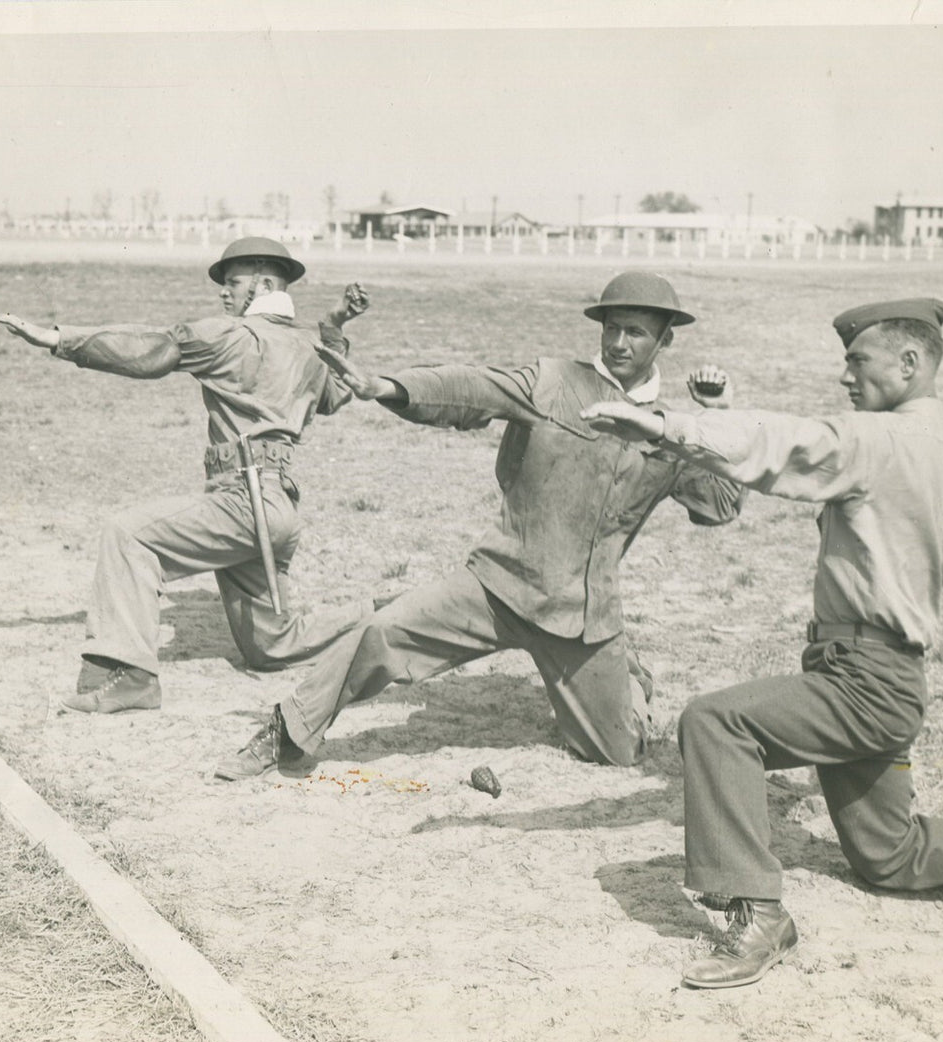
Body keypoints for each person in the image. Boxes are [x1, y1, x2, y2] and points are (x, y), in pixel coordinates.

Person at [579, 297, 943, 990]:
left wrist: (664, 422)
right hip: (891, 686)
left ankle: (757, 914)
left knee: (714, 722)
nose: (844, 378)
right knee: (886, 856)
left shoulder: (873, 439)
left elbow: (778, 443)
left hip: (858, 683)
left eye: (855, 362)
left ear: (909, 363)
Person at [212, 271, 744, 782]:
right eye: (611, 328)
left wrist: (716, 419)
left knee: (617, 753)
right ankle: (287, 731)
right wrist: (387, 386)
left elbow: (720, 504)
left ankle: (628, 678)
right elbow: (471, 389)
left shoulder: (673, 432)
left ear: (665, 341)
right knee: (381, 633)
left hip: (583, 619)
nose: (619, 343)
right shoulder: (553, 382)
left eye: (636, 332)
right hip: (498, 585)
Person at [0, 237, 371, 713]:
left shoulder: (233, 336)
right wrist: (333, 326)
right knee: (271, 648)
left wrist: (59, 339)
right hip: (276, 509)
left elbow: (153, 348)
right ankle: (376, 618)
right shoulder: (306, 346)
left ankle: (132, 678)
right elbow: (336, 394)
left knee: (129, 535)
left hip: (243, 501)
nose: (223, 293)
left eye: (233, 283)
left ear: (265, 283)